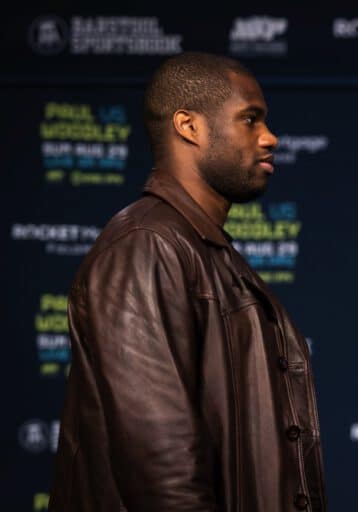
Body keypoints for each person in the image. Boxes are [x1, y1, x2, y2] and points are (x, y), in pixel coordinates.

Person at [49, 52, 326, 511]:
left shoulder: (202, 248)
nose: (270, 138)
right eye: (250, 120)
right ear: (189, 126)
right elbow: (161, 468)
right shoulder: (145, 246)